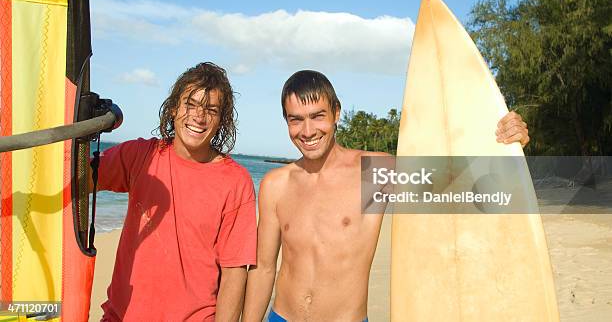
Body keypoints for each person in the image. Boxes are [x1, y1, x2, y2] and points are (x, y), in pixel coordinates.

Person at [242, 70, 529, 322]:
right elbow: (264, 268)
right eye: (296, 120)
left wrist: (508, 145)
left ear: (337, 113)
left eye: (318, 116)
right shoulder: (275, 184)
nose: (307, 131)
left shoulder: (373, 173)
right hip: (281, 317)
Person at [96, 62, 256, 321]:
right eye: (190, 105)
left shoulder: (236, 181)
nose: (198, 116)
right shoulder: (141, 156)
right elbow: (75, 174)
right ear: (173, 108)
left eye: (211, 110)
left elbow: (235, 272)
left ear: (221, 120)